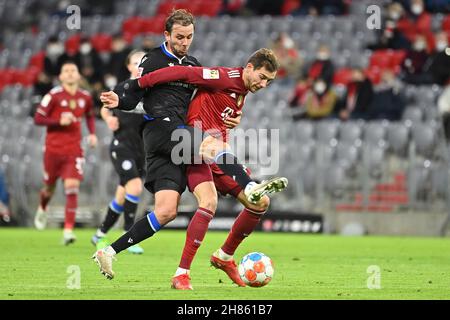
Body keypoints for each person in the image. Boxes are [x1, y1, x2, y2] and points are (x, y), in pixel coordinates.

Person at [93, 9, 287, 280]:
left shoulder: (197, 64)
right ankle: (249, 185)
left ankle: (109, 251)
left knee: (166, 211)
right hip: (161, 128)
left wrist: (233, 115)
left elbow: (209, 95)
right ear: (167, 35)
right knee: (211, 147)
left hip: (178, 136)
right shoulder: (153, 59)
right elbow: (139, 92)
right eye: (180, 37)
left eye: (189, 37)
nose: (184, 42)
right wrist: (122, 97)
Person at [124, 48, 282, 290]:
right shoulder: (222, 76)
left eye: (268, 81)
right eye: (261, 77)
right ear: (249, 68)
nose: (263, 84)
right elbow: (184, 73)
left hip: (217, 155)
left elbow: (220, 111)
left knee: (260, 204)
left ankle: (225, 256)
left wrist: (234, 119)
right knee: (208, 202)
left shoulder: (242, 90)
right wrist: (140, 83)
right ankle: (181, 274)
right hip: (195, 150)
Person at [33, 61, 98, 244]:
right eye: (66, 71)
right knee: (49, 188)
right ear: (60, 76)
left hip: (74, 150)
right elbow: (38, 118)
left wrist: (92, 134)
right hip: (53, 150)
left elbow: (90, 116)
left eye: (73, 70)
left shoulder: (85, 97)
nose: (70, 73)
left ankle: (68, 231)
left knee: (72, 188)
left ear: (78, 76)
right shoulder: (53, 95)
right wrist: (58, 121)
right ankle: (43, 207)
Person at [91, 50, 147, 254]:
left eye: (143, 61)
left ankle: (100, 233)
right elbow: (105, 108)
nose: (140, 64)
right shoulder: (121, 88)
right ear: (129, 66)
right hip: (122, 146)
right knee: (135, 186)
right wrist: (108, 119)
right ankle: (129, 234)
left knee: (122, 195)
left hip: (142, 150)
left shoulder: (151, 91)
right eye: (135, 62)